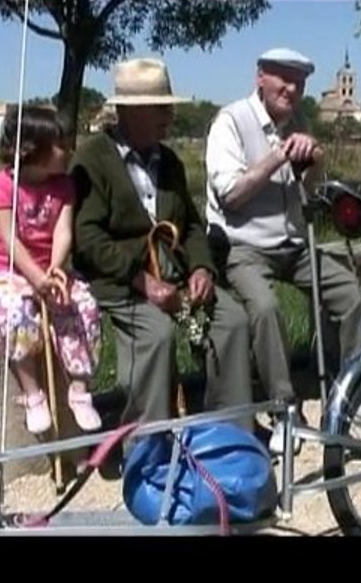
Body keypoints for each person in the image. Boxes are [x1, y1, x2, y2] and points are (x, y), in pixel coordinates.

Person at [69, 57, 253, 434]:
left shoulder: (169, 161)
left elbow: (191, 227)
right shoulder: (92, 159)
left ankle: (229, 430)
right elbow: (87, 238)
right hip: (121, 281)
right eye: (160, 108)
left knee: (232, 320)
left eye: (168, 107)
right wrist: (143, 282)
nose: (169, 116)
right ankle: (148, 445)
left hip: (174, 273)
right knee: (157, 334)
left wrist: (202, 268)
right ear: (128, 112)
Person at [205, 47, 361, 454]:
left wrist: (314, 160)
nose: (292, 88)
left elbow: (313, 192)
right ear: (260, 76)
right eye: (283, 78)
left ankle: (352, 391)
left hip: (294, 244)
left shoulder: (299, 122)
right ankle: (285, 409)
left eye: (299, 81)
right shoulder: (230, 122)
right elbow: (230, 197)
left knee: (356, 296)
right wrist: (278, 155)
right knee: (265, 310)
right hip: (243, 245)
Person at [0, 105, 103, 436]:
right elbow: (10, 240)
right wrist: (36, 278)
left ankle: (78, 387)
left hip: (50, 269)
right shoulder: (0, 186)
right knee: (17, 312)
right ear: (32, 149)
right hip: (8, 270)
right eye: (59, 144)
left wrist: (56, 270)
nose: (67, 150)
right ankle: (32, 394)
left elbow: (63, 231)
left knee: (83, 306)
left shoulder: (64, 185)